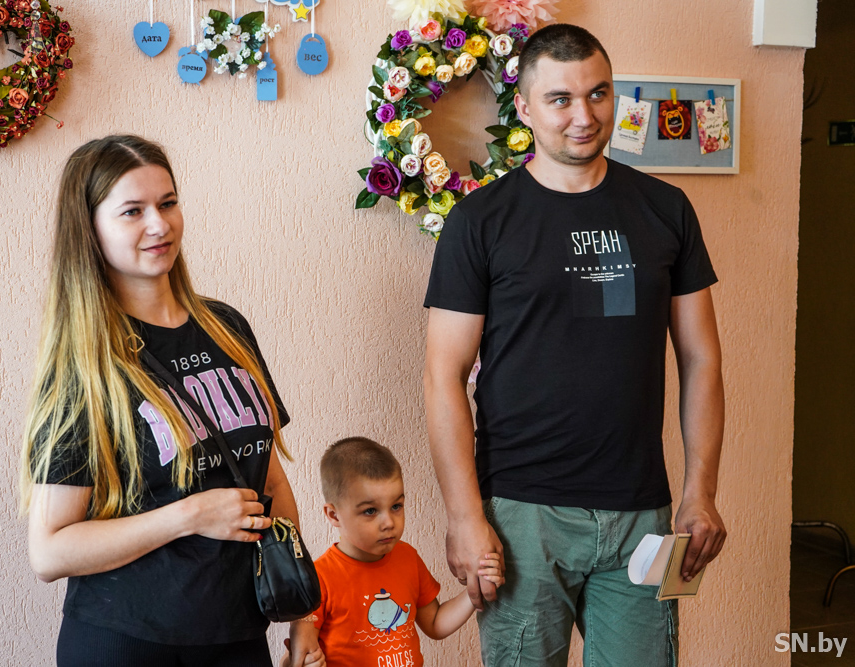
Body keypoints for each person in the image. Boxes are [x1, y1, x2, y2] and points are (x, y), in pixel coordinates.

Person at [422, 24, 727, 667]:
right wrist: (463, 515)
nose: (584, 116)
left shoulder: (666, 209)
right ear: (525, 108)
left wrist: (700, 490)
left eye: (598, 94)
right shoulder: (480, 222)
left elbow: (700, 358)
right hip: (521, 515)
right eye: (560, 99)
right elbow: (443, 375)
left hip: (642, 513)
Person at [19, 134, 302, 667]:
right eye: (133, 211)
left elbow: (270, 482)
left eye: (167, 203)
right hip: (125, 641)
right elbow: (49, 551)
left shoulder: (227, 327)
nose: (159, 224)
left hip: (239, 632)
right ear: (90, 228)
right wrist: (187, 515)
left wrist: (303, 616)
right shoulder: (85, 364)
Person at [282, 437, 503, 667]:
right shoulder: (318, 579)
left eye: (396, 506)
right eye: (370, 511)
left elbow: (435, 623)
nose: (389, 522)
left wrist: (475, 587)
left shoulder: (408, 558)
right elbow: (295, 657)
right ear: (334, 515)